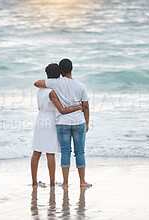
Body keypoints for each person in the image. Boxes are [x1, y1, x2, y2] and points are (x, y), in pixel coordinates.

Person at [34, 58, 92, 188]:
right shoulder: (81, 86)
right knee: (80, 151)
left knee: (66, 151)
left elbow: (37, 83)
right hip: (78, 121)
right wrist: (87, 123)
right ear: (72, 69)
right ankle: (82, 181)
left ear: (61, 70)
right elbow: (86, 106)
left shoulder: (55, 83)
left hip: (63, 122)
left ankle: (65, 182)